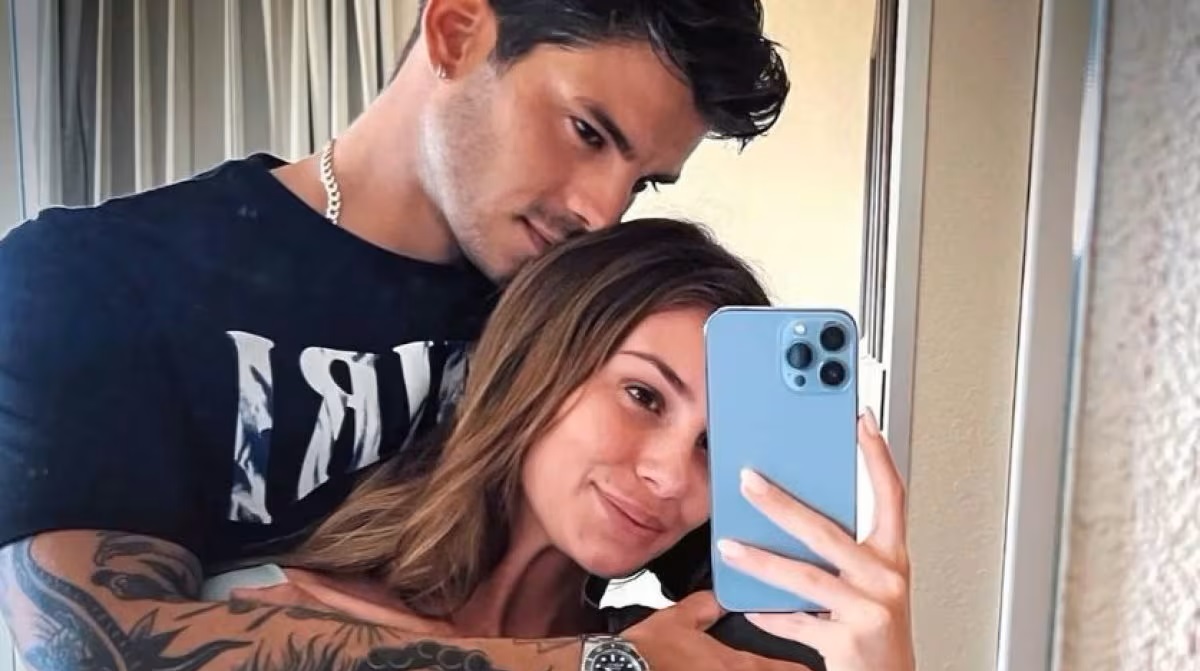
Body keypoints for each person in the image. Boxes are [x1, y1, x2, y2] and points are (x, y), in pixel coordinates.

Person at [0, 0, 793, 669]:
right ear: (456, 32)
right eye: (587, 132)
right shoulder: (99, 275)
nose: (603, 210)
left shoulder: (580, 318)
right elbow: (86, 644)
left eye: (642, 181)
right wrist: (593, 662)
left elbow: (769, 614)